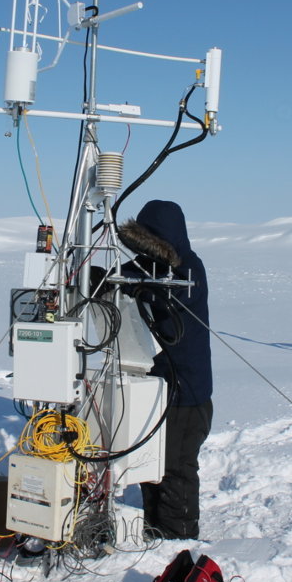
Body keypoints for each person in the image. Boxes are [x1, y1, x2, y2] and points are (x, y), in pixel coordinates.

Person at [118, 200, 212, 540]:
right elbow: (128, 277)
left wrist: (126, 284)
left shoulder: (189, 270)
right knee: (150, 466)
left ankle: (178, 542)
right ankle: (154, 532)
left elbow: (163, 292)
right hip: (156, 392)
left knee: (175, 472)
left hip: (187, 397)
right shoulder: (145, 266)